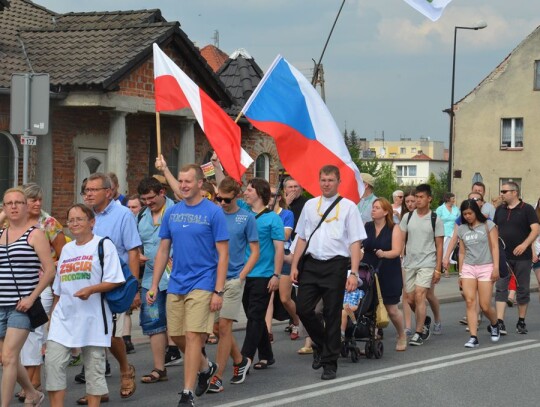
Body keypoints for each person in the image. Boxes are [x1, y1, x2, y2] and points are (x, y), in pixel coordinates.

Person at [148, 163, 229, 406]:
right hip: (176, 282)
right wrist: (153, 285)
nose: (183, 185)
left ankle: (187, 392)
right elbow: (163, 250)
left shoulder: (214, 212)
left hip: (204, 282)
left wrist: (218, 290)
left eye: (188, 181)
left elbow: (223, 255)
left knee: (194, 336)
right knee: (177, 335)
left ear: (199, 183)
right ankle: (205, 367)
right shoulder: (172, 213)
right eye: (180, 181)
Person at [45, 204, 125, 406]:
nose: (74, 224)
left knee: (94, 370)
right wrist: (52, 317)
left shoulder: (103, 245)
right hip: (64, 318)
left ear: (92, 222)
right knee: (53, 365)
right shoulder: (66, 250)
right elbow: (59, 289)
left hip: (94, 319)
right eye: (70, 220)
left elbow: (116, 280)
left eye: (79, 219)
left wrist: (91, 289)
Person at [291, 165, 365, 380]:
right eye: (323, 179)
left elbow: (355, 241)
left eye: (330, 180)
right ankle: (324, 346)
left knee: (332, 314)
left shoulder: (349, 207)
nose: (326, 183)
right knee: (303, 309)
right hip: (312, 264)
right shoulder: (310, 205)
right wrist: (295, 265)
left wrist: (353, 272)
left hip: (336, 265)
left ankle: (329, 363)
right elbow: (302, 237)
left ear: (338, 182)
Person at [76, 173, 141, 403]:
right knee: (91, 336)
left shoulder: (123, 214)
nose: (89, 194)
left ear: (109, 192)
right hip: (88, 283)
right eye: (86, 191)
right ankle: (97, 389)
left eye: (94, 190)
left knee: (111, 335)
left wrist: (133, 288)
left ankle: (125, 369)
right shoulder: (84, 215)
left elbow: (133, 251)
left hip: (115, 283)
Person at [0, 187, 56, 407]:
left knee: (9, 357)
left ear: (26, 206)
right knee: (6, 357)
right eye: (9, 203)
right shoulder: (1, 234)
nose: (14, 206)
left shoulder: (35, 234)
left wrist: (32, 298)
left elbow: (50, 270)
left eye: (18, 203)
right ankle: (32, 393)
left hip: (22, 306)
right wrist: (5, 214)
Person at [15, 183, 67, 400]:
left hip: (43, 283)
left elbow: (63, 254)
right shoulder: (12, 222)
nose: (37, 203)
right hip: (17, 283)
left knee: (34, 330)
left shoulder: (49, 223)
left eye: (39, 199)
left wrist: (58, 288)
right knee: (22, 333)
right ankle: (32, 379)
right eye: (32, 200)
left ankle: (33, 379)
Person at [208, 176, 259, 393]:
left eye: (226, 200)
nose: (221, 203)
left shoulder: (246, 218)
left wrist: (242, 275)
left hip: (233, 279)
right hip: (213, 278)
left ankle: (217, 376)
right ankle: (240, 361)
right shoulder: (214, 214)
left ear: (236, 197)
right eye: (218, 198)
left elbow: (255, 251)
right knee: (217, 329)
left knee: (224, 326)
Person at [238, 178, 284, 371]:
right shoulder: (243, 211)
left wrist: (276, 275)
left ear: (259, 193)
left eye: (249, 190)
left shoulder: (273, 218)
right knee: (252, 315)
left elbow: (279, 249)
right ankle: (267, 354)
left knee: (256, 316)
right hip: (245, 273)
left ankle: (244, 359)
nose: (245, 192)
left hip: (264, 274)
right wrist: (216, 166)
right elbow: (225, 190)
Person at [136, 177, 176, 384]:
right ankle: (159, 368)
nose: (148, 203)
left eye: (151, 198)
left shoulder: (176, 211)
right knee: (153, 320)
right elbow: (137, 243)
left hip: (175, 276)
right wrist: (139, 255)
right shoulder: (141, 215)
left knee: (180, 323)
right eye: (144, 199)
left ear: (162, 192)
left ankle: (200, 362)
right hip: (150, 278)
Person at [400, 184, 444, 346]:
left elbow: (439, 245)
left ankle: (419, 332)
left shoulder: (435, 219)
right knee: (410, 299)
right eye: (416, 197)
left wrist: (438, 268)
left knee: (420, 295)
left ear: (429, 199)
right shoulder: (408, 217)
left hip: (428, 262)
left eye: (421, 197)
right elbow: (401, 238)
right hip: (410, 263)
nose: (417, 200)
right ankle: (424, 319)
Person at [493, 182, 539, 335]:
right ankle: (500, 322)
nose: (502, 194)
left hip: (522, 257)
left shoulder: (527, 209)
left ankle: (521, 321)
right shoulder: (499, 209)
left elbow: (535, 229)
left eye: (504, 191)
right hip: (503, 257)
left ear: (514, 192)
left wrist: (525, 245)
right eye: (502, 191)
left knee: (523, 290)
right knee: (501, 288)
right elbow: (495, 230)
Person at [363, 198, 407, 351]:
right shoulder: (367, 226)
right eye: (373, 207)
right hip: (369, 270)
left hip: (388, 270)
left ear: (386, 212)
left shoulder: (394, 228)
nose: (373, 210)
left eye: (377, 208)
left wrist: (384, 254)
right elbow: (361, 245)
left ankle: (401, 334)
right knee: (369, 307)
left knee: (391, 309)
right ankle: (372, 338)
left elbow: (397, 250)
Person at [456, 199, 501, 348]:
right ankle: (473, 337)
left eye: (470, 213)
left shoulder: (488, 225)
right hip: (469, 267)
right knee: (470, 302)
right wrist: (461, 273)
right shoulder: (462, 229)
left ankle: (495, 324)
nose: (468, 216)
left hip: (486, 267)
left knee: (485, 305)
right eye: (465, 214)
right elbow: (461, 252)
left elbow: (495, 247)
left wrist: (496, 268)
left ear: (476, 211)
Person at [265, 187, 300, 342]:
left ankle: (296, 319)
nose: (269, 198)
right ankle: (267, 332)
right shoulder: (262, 214)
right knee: (269, 298)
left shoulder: (286, 214)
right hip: (267, 259)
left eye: (272, 195)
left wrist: (269, 225)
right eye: (266, 195)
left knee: (285, 298)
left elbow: (285, 236)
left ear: (279, 197)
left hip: (284, 257)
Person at [400, 189, 416, 335]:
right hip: (406, 258)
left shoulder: (428, 216)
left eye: (412, 201)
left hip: (424, 259)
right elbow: (401, 239)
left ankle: (426, 319)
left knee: (419, 295)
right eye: (407, 202)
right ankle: (408, 326)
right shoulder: (405, 217)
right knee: (406, 294)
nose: (410, 204)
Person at [436, 193, 460, 278]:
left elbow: (459, 220)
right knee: (442, 251)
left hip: (453, 232)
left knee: (449, 252)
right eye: (453, 198)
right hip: (443, 232)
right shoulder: (440, 209)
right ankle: (439, 268)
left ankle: (447, 270)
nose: (454, 200)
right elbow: (436, 220)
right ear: (448, 199)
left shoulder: (456, 209)